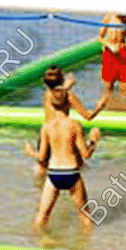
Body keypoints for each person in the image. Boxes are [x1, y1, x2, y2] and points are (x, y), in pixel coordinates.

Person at [34, 88, 102, 232]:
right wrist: (93, 141)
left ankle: (34, 243)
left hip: (54, 173)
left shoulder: (47, 126)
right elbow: (85, 154)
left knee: (42, 218)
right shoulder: (74, 125)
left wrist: (31, 152)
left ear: (52, 105)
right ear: (69, 104)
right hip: (71, 173)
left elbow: (42, 158)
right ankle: (88, 243)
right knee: (85, 218)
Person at [24, 67, 108, 162]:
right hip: (62, 135)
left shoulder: (47, 94)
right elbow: (88, 116)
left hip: (46, 135)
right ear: (62, 79)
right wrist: (100, 106)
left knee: (44, 165)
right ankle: (33, 154)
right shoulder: (68, 95)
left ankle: (33, 154)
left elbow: (57, 93)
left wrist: (67, 86)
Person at [99, 13, 126, 106]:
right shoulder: (108, 18)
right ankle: (108, 107)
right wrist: (109, 45)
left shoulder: (125, 18)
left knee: (124, 86)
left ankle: (123, 107)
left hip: (122, 51)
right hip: (110, 52)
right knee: (108, 85)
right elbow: (100, 38)